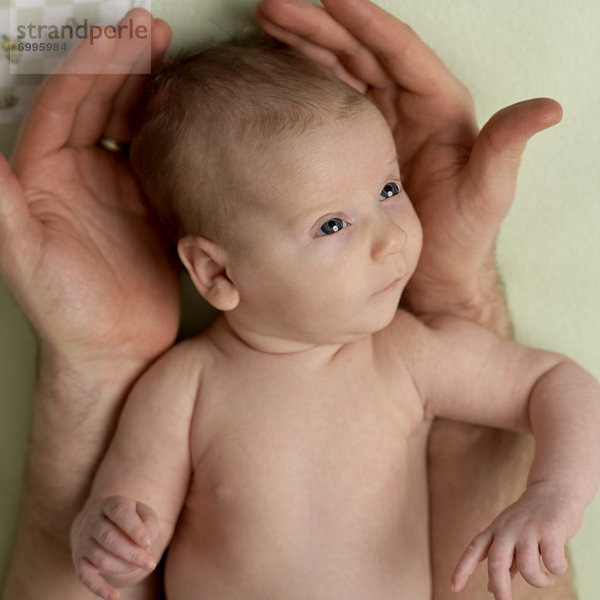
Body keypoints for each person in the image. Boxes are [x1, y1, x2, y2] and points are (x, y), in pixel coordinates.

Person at [0, 1, 573, 600]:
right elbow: (121, 546)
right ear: (215, 271)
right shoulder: (182, 388)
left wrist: (552, 492)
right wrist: (109, 541)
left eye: (387, 187)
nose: (394, 236)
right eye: (332, 225)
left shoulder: (404, 356)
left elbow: (557, 384)